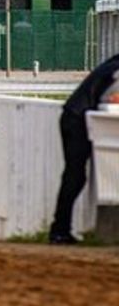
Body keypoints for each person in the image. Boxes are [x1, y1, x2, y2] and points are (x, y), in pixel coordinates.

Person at [49, 51, 119, 244]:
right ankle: (59, 230)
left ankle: (60, 229)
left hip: (73, 115)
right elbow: (112, 100)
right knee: (74, 176)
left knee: (74, 176)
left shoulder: (112, 64)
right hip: (78, 120)